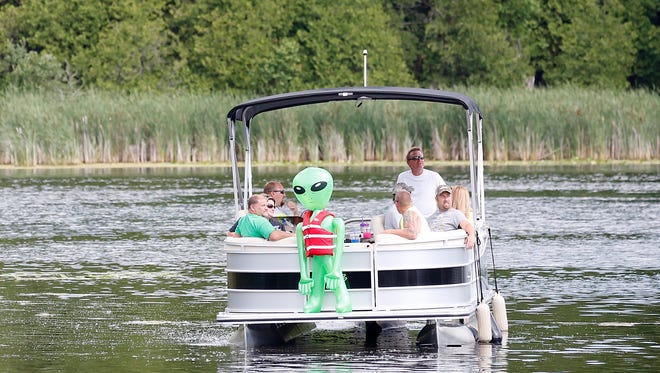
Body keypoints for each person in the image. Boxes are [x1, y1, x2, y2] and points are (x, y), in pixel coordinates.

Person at [395, 147, 445, 218]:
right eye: (415, 158)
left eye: (421, 158)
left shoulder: (434, 176)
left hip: (433, 217)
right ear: (408, 162)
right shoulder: (402, 177)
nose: (419, 160)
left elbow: (446, 194)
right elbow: (396, 199)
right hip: (411, 218)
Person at [431, 185, 476, 249]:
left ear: (451, 197)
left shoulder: (456, 214)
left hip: (445, 248)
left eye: (448, 196)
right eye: (443, 196)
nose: (446, 199)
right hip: (431, 245)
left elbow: (466, 225)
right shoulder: (432, 215)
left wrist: (471, 236)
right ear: (436, 199)